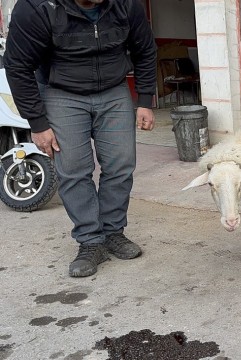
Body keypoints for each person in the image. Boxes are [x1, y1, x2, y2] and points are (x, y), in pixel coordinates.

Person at [3, 0, 157, 277]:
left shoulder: (126, 4)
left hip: (113, 91)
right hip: (61, 93)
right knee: (73, 169)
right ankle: (90, 241)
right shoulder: (37, 7)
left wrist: (145, 99)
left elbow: (145, 50)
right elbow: (17, 67)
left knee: (121, 166)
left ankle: (112, 232)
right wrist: (37, 124)